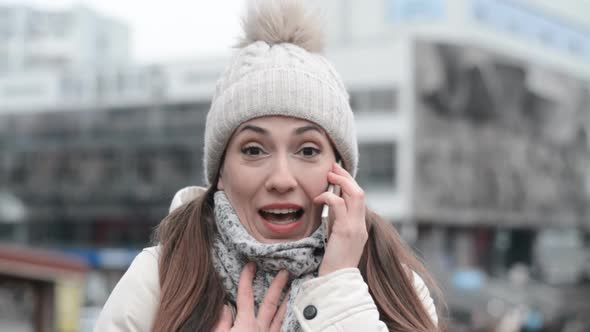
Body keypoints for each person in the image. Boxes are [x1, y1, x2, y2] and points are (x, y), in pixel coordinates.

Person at [94, 0, 443, 331]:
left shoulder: (394, 287)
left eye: (307, 151)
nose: (280, 179)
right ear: (220, 173)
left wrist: (340, 287)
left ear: (339, 172)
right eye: (253, 150)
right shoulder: (156, 280)